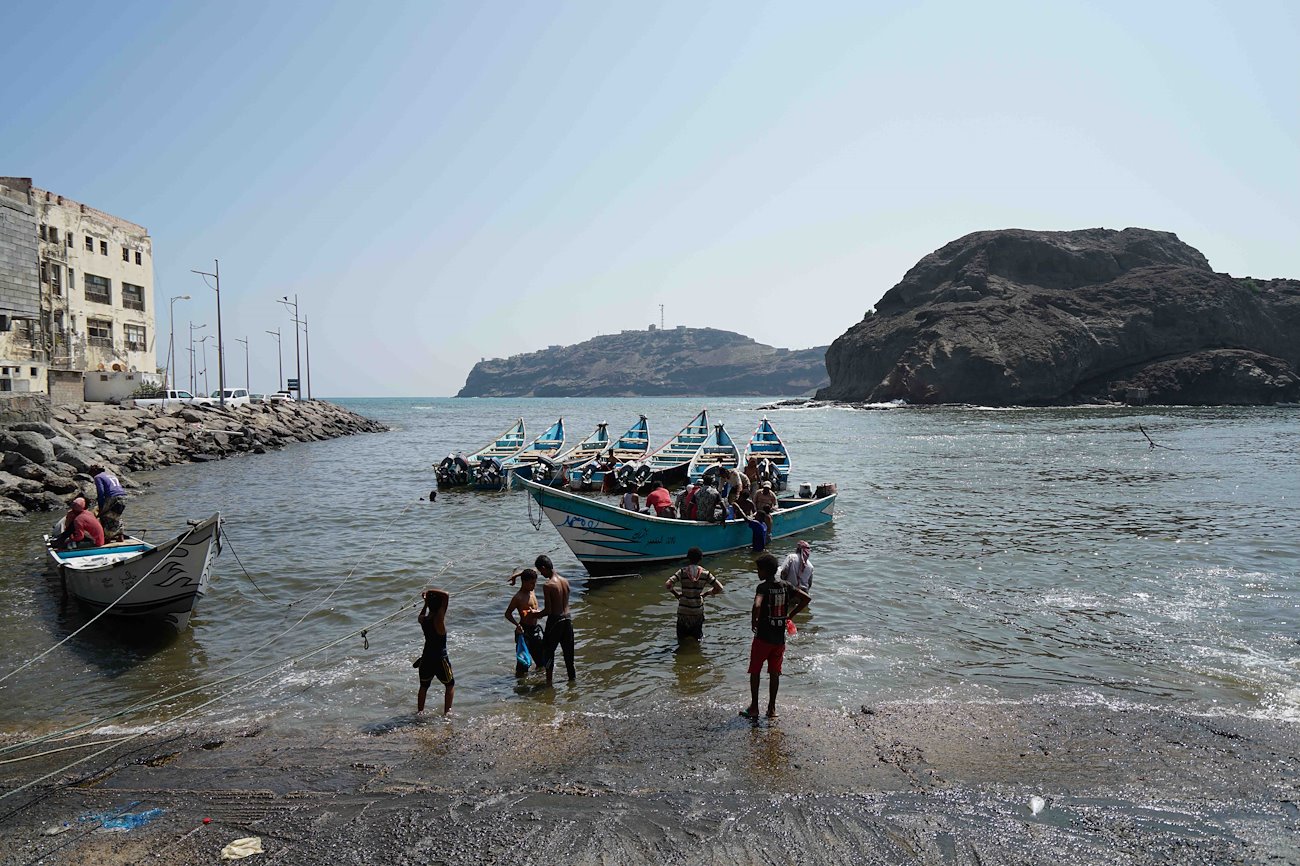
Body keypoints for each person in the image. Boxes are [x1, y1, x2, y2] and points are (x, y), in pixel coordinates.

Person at [743, 553, 810, 719]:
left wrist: (754, 621)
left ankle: (754, 708)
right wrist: (790, 616)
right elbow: (806, 599)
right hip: (779, 640)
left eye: (759, 570)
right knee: (775, 673)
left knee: (755, 672)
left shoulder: (762, 588)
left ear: (765, 571)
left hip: (763, 638)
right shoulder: (786, 585)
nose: (758, 573)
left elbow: (757, 604)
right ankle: (771, 709)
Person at [665, 547, 723, 642]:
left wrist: (676, 594)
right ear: (700, 559)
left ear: (688, 558)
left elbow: (668, 584)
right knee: (697, 639)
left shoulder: (682, 572)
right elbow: (719, 588)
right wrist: (707, 593)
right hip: (697, 611)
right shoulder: (706, 573)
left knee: (681, 639)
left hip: (683, 610)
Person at [534, 555, 575, 685]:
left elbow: (548, 610)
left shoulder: (548, 585)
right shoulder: (565, 581)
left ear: (544, 568)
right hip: (567, 620)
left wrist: (535, 614)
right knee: (569, 656)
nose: (541, 574)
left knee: (548, 652)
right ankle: (572, 681)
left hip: (555, 622)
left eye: (541, 571)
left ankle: (549, 683)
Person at [414, 588, 454, 715]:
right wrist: (430, 590)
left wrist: (425, 602)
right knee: (450, 685)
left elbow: (420, 616)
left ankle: (420, 712)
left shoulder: (423, 621)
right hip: (440, 659)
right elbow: (446, 595)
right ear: (440, 607)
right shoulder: (439, 620)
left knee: (424, 686)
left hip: (426, 659)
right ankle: (447, 713)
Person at [505, 568, 547, 675]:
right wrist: (517, 625)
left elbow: (532, 569)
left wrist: (515, 576)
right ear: (524, 582)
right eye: (532, 583)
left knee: (541, 662)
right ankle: (520, 685)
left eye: (535, 582)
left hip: (535, 629)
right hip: (524, 631)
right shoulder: (518, 597)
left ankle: (538, 679)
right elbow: (507, 613)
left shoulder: (531, 591)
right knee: (522, 665)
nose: (534, 585)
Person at [90, 464, 127, 541]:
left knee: (104, 516)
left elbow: (101, 492)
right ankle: (120, 536)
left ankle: (107, 538)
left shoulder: (98, 477)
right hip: (123, 497)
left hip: (113, 497)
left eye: (91, 472)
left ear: (95, 471)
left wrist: (101, 507)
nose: (91, 474)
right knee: (116, 516)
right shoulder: (111, 475)